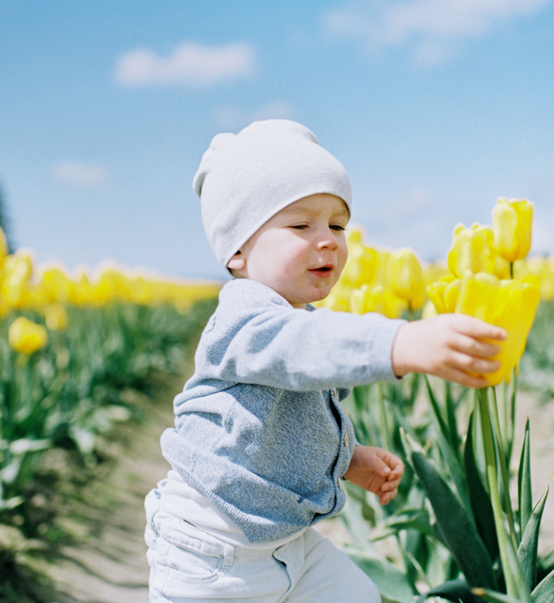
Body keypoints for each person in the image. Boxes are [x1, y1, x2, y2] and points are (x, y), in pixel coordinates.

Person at [145, 119, 506, 602]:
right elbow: (303, 349)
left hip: (283, 541)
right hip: (211, 550)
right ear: (236, 251)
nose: (329, 240)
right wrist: (400, 342)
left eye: (338, 224)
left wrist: (347, 461)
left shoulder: (300, 318)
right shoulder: (244, 317)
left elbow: (291, 423)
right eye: (300, 225)